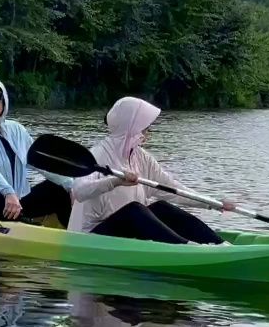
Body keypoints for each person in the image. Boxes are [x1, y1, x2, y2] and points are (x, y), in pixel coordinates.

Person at [67, 96, 233, 244]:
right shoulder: (97, 155)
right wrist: (116, 181)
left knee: (161, 208)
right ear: (130, 127)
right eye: (145, 128)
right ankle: (187, 249)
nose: (148, 132)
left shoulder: (142, 158)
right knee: (135, 210)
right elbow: (80, 191)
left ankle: (221, 245)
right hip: (88, 238)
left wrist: (214, 204)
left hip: (125, 232)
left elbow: (174, 190)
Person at [0, 77, 73, 226]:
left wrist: (71, 185)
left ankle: (77, 234)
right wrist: (8, 192)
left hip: (14, 204)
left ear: (3, 100)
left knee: (58, 189)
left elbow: (39, 162)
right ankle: (24, 225)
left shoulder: (16, 129)